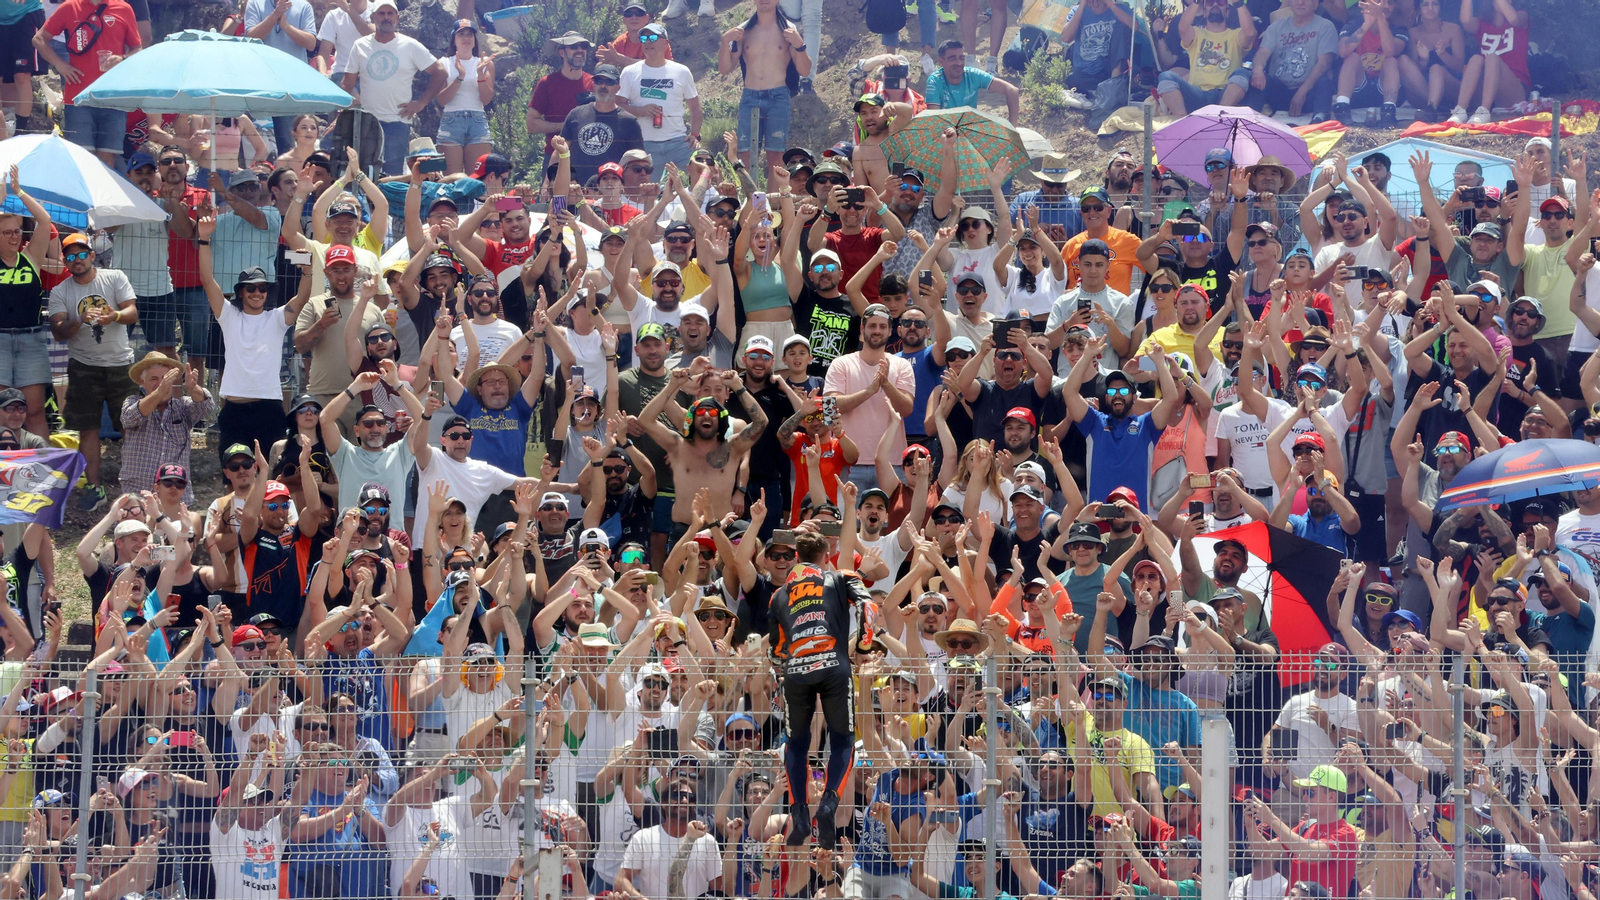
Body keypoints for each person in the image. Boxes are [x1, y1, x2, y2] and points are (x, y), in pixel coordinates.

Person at [48, 232, 138, 511]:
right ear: (65, 261)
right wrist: (78, 320)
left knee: (130, 427)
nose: (77, 260)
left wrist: (114, 316)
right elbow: (59, 332)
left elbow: (132, 312)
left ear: (91, 254)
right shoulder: (60, 291)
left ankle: (136, 485)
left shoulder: (114, 277)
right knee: (88, 429)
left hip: (119, 362)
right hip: (83, 365)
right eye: (70, 256)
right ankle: (94, 486)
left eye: (81, 253)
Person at [341, 0, 445, 176]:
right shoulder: (360, 45)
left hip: (398, 122)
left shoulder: (410, 45)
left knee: (392, 177)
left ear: (398, 17)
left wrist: (421, 103)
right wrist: (352, 104)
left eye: (390, 13)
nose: (386, 17)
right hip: (368, 122)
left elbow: (440, 72)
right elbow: (347, 84)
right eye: (381, 13)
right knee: (364, 174)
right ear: (373, 17)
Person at [33, 0, 142, 166]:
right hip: (78, 98)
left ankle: (104, 193)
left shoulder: (123, 8)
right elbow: (39, 39)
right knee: (81, 157)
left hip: (113, 98)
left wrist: (122, 59)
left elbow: (138, 49)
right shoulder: (70, 7)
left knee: (108, 159)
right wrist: (59, 64)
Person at [719, 0, 811, 170]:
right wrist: (725, 41)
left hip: (778, 97)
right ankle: (749, 196)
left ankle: (772, 197)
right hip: (750, 96)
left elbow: (805, 71)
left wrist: (800, 45)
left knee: (776, 156)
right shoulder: (744, 30)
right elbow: (725, 68)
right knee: (746, 154)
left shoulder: (788, 29)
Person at [120, 351, 214, 505]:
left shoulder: (182, 406)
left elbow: (207, 407)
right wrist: (159, 392)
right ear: (142, 382)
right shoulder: (132, 402)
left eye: (165, 379)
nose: (160, 383)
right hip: (137, 498)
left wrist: (194, 388)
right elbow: (129, 418)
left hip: (176, 499)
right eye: (153, 379)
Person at [0, 168, 52, 438]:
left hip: (31, 339)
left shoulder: (30, 257)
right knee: (2, 412)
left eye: (17, 231)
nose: (13, 236)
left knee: (33, 411)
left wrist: (18, 192)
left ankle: (42, 473)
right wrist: (2, 192)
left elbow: (45, 222)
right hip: (0, 341)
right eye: (6, 232)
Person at [618, 24, 702, 177]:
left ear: (665, 42)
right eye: (644, 38)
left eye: (653, 38)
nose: (648, 42)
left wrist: (695, 135)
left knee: (704, 174)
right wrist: (639, 111)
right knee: (646, 193)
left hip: (678, 142)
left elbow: (695, 107)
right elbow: (618, 105)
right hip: (644, 144)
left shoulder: (681, 71)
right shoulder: (630, 72)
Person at [1156, 0, 1255, 114]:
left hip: (1226, 94)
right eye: (1210, 2)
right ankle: (1182, 121)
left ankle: (1218, 116)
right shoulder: (1196, 33)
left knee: (1243, 73)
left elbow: (1250, 33)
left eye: (1221, 2)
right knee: (1166, 76)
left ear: (1227, 12)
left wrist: (1239, 3)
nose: (1215, 4)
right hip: (1197, 93)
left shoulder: (1235, 35)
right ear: (1204, 12)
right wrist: (1196, 2)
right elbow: (1182, 28)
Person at [244, 0, 316, 153]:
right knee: (259, 146)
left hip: (292, 87)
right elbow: (250, 39)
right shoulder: (255, 4)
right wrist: (275, 15)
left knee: (288, 144)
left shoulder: (304, 6)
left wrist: (286, 26)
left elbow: (311, 43)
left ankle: (289, 175)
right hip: (262, 85)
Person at [1245, 0, 1338, 119]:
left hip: (1309, 92)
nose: (1300, 2)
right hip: (1280, 90)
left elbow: (1324, 63)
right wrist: (1257, 70)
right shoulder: (1276, 26)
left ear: (1316, 4)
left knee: (1324, 83)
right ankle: (1249, 122)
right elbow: (1262, 52)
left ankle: (1320, 124)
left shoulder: (1326, 26)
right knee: (1259, 80)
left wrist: (1302, 91)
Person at [559, 64, 645, 185]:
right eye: (599, 81)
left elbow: (638, 161)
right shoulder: (576, 114)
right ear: (593, 84)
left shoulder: (629, 122)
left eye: (609, 82)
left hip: (612, 194)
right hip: (576, 190)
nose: (603, 86)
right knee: (557, 204)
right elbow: (560, 150)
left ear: (618, 87)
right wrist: (548, 181)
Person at [435, 19, 494, 176]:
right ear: (454, 39)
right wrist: (460, 77)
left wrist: (480, 74)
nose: (466, 38)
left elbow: (486, 99)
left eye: (470, 34)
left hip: (477, 121)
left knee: (476, 180)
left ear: (475, 39)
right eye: (461, 34)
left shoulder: (485, 63)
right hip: (451, 121)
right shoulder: (444, 63)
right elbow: (441, 100)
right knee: (451, 180)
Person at [528, 32, 594, 155]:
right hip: (556, 155)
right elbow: (531, 124)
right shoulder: (547, 83)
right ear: (562, 52)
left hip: (589, 157)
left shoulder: (595, 83)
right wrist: (565, 126)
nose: (580, 50)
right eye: (573, 46)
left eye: (584, 46)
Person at [922, 40, 1020, 124]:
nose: (959, 63)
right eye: (952, 59)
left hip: (970, 129)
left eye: (961, 58)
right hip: (945, 132)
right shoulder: (935, 81)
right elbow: (934, 119)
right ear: (941, 62)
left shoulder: (972, 74)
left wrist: (1013, 127)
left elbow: (1012, 90)